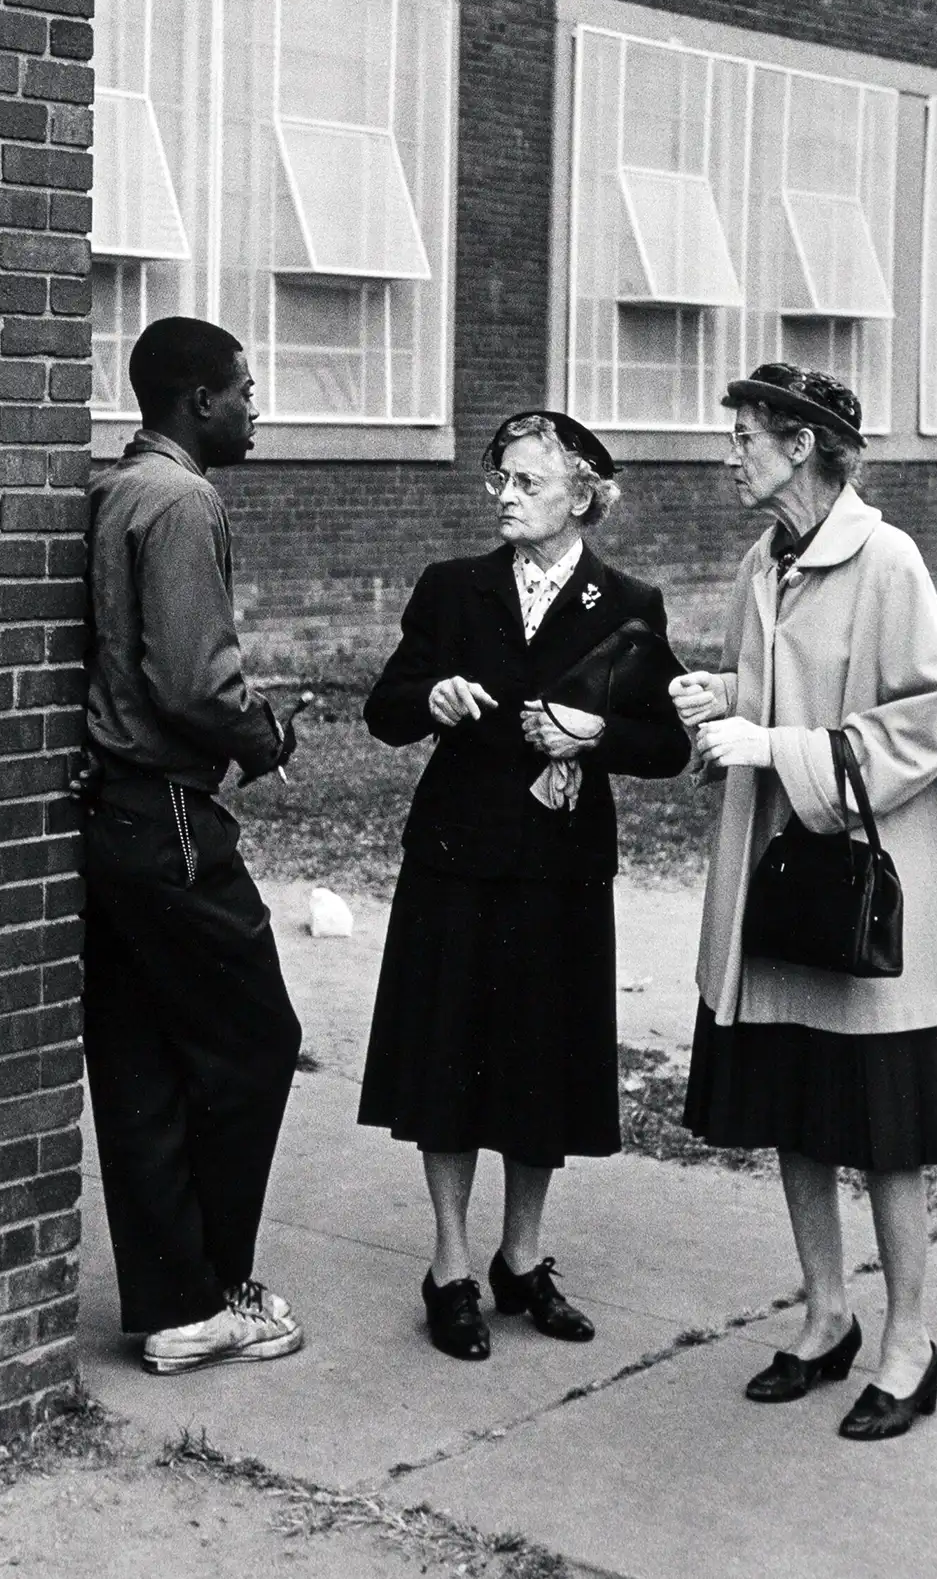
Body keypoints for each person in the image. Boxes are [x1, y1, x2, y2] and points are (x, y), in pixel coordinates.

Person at [670, 364, 937, 1440]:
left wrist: (774, 744)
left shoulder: (886, 559)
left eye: (744, 436)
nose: (730, 453)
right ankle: (824, 1318)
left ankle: (909, 1345)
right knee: (789, 1117)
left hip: (860, 899)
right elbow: (764, 690)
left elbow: (921, 723)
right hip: (776, 892)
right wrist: (714, 698)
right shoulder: (763, 559)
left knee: (883, 1132)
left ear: (800, 445)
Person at [358, 410, 689, 1360]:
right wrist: (432, 698)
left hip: (561, 872)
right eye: (499, 478)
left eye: (526, 482)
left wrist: (597, 737)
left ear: (580, 495)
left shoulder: (628, 603)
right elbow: (385, 708)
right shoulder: (453, 589)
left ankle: (523, 1257)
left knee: (543, 1065)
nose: (504, 495)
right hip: (458, 861)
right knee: (449, 1058)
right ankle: (451, 1267)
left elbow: (667, 744)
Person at [80, 316, 304, 1375]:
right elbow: (189, 683)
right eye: (243, 391)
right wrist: (265, 734)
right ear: (195, 399)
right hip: (168, 814)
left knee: (141, 1061)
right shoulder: (181, 499)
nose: (253, 410)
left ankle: (177, 1310)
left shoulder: (114, 487)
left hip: (113, 814)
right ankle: (214, 1290)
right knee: (255, 1041)